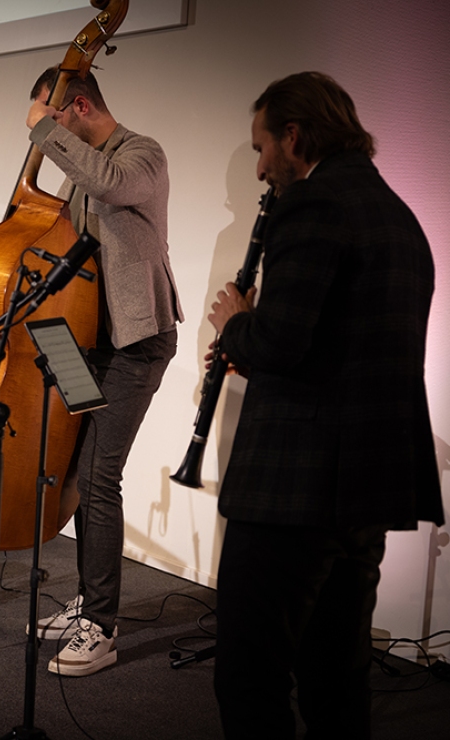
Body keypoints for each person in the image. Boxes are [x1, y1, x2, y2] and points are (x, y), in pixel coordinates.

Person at [208, 71, 444, 738]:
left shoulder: (312, 207)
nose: (260, 169)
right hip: (367, 486)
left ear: (294, 135)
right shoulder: (399, 217)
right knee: (337, 674)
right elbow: (335, 349)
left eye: (261, 149)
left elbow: (282, 340)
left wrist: (235, 323)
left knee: (250, 677)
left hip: (296, 490)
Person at [24, 67, 184, 676]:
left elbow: (111, 185)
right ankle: (90, 598)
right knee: (72, 467)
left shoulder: (142, 155)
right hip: (80, 338)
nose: (48, 129)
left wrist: (45, 133)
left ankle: (102, 625)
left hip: (137, 342)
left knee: (98, 476)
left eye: (54, 116)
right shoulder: (81, 169)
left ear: (80, 105)